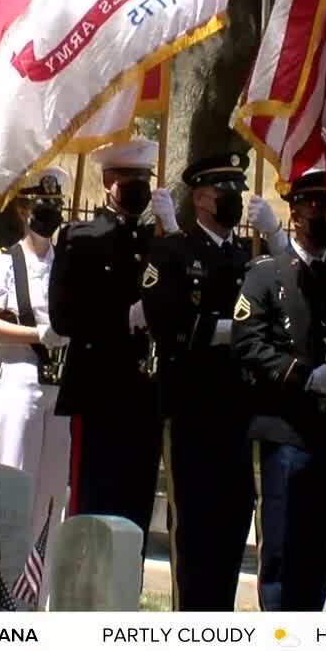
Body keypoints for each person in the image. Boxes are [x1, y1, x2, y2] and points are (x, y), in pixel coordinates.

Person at [141, 151, 275, 611]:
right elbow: (164, 319)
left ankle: (218, 616)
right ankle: (192, 616)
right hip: (192, 404)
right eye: (225, 193)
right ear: (200, 198)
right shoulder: (175, 252)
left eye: (238, 192)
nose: (233, 200)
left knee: (236, 511)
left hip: (237, 407)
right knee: (195, 515)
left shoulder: (248, 257)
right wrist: (223, 331)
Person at [231, 168, 326, 615]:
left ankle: (307, 635)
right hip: (287, 426)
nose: (321, 215)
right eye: (312, 205)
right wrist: (305, 376)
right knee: (284, 541)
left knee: (319, 540)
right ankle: (280, 637)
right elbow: (248, 343)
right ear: (294, 213)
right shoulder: (267, 274)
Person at [48, 138, 178, 554]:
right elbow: (64, 317)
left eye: (144, 179)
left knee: (135, 511)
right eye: (129, 180)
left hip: (145, 394)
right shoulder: (79, 238)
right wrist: (123, 317)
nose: (138, 187)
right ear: (108, 182)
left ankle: (125, 593)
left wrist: (172, 234)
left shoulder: (156, 240)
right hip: (99, 390)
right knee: (94, 501)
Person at [0, 168, 72, 543]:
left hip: (60, 386)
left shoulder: (68, 263)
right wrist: (36, 334)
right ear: (21, 208)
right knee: (14, 484)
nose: (48, 212)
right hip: (19, 377)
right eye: (41, 204)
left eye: (54, 204)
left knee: (51, 497)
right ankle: (5, 589)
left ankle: (41, 592)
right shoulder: (3, 263)